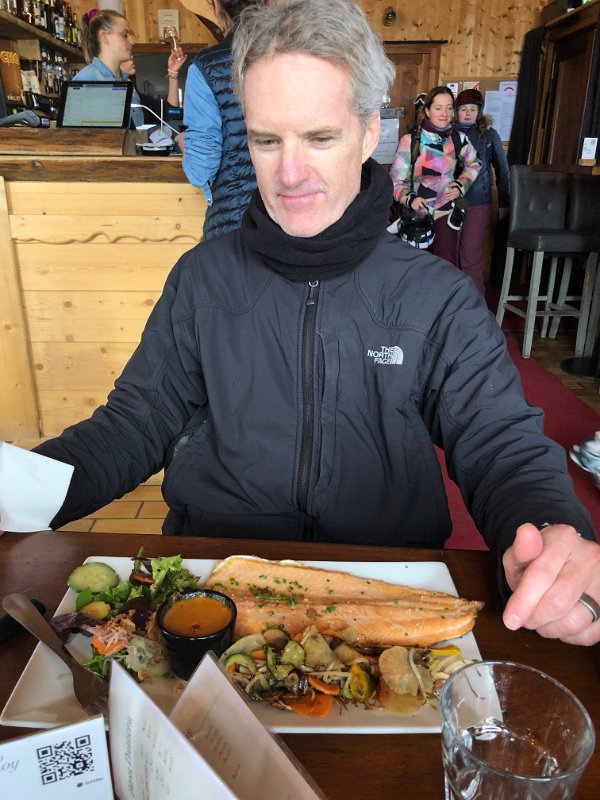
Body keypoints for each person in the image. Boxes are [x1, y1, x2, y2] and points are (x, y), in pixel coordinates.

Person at [2, 0, 599, 647]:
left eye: (319, 137)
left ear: (368, 132)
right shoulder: (201, 279)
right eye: (267, 139)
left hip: (383, 588)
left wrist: (553, 534)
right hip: (212, 586)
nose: (289, 174)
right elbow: (133, 424)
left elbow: (500, 443)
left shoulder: (438, 297)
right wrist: (16, 493)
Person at [182, 0, 265, 240]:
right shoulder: (295, 53)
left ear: (216, 6)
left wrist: (185, 144)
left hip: (234, 226)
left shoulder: (206, 66)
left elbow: (201, 170)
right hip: (296, 225)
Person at [389, 86, 481, 267]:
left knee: (445, 266)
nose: (444, 113)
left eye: (449, 108)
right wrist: (409, 198)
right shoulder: (410, 141)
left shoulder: (459, 139)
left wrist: (461, 185)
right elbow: (395, 180)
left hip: (446, 211)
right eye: (438, 108)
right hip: (417, 213)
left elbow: (475, 163)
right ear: (427, 111)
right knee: (415, 267)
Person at [454, 88, 510, 295]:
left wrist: (504, 202)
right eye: (463, 109)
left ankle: (476, 304)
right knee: (451, 252)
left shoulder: (489, 135)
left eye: (473, 109)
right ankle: (454, 303)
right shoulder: (447, 133)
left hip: (478, 201)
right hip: (452, 201)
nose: (468, 113)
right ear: (456, 111)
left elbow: (502, 170)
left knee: (469, 253)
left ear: (479, 111)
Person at [76, 8, 144, 128]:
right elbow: (78, 135)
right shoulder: (87, 81)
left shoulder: (127, 83)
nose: (132, 41)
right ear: (104, 37)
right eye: (125, 35)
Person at [121, 46, 188, 110]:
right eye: (126, 55)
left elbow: (168, 110)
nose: (131, 58)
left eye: (131, 55)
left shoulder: (138, 99)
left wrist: (173, 72)